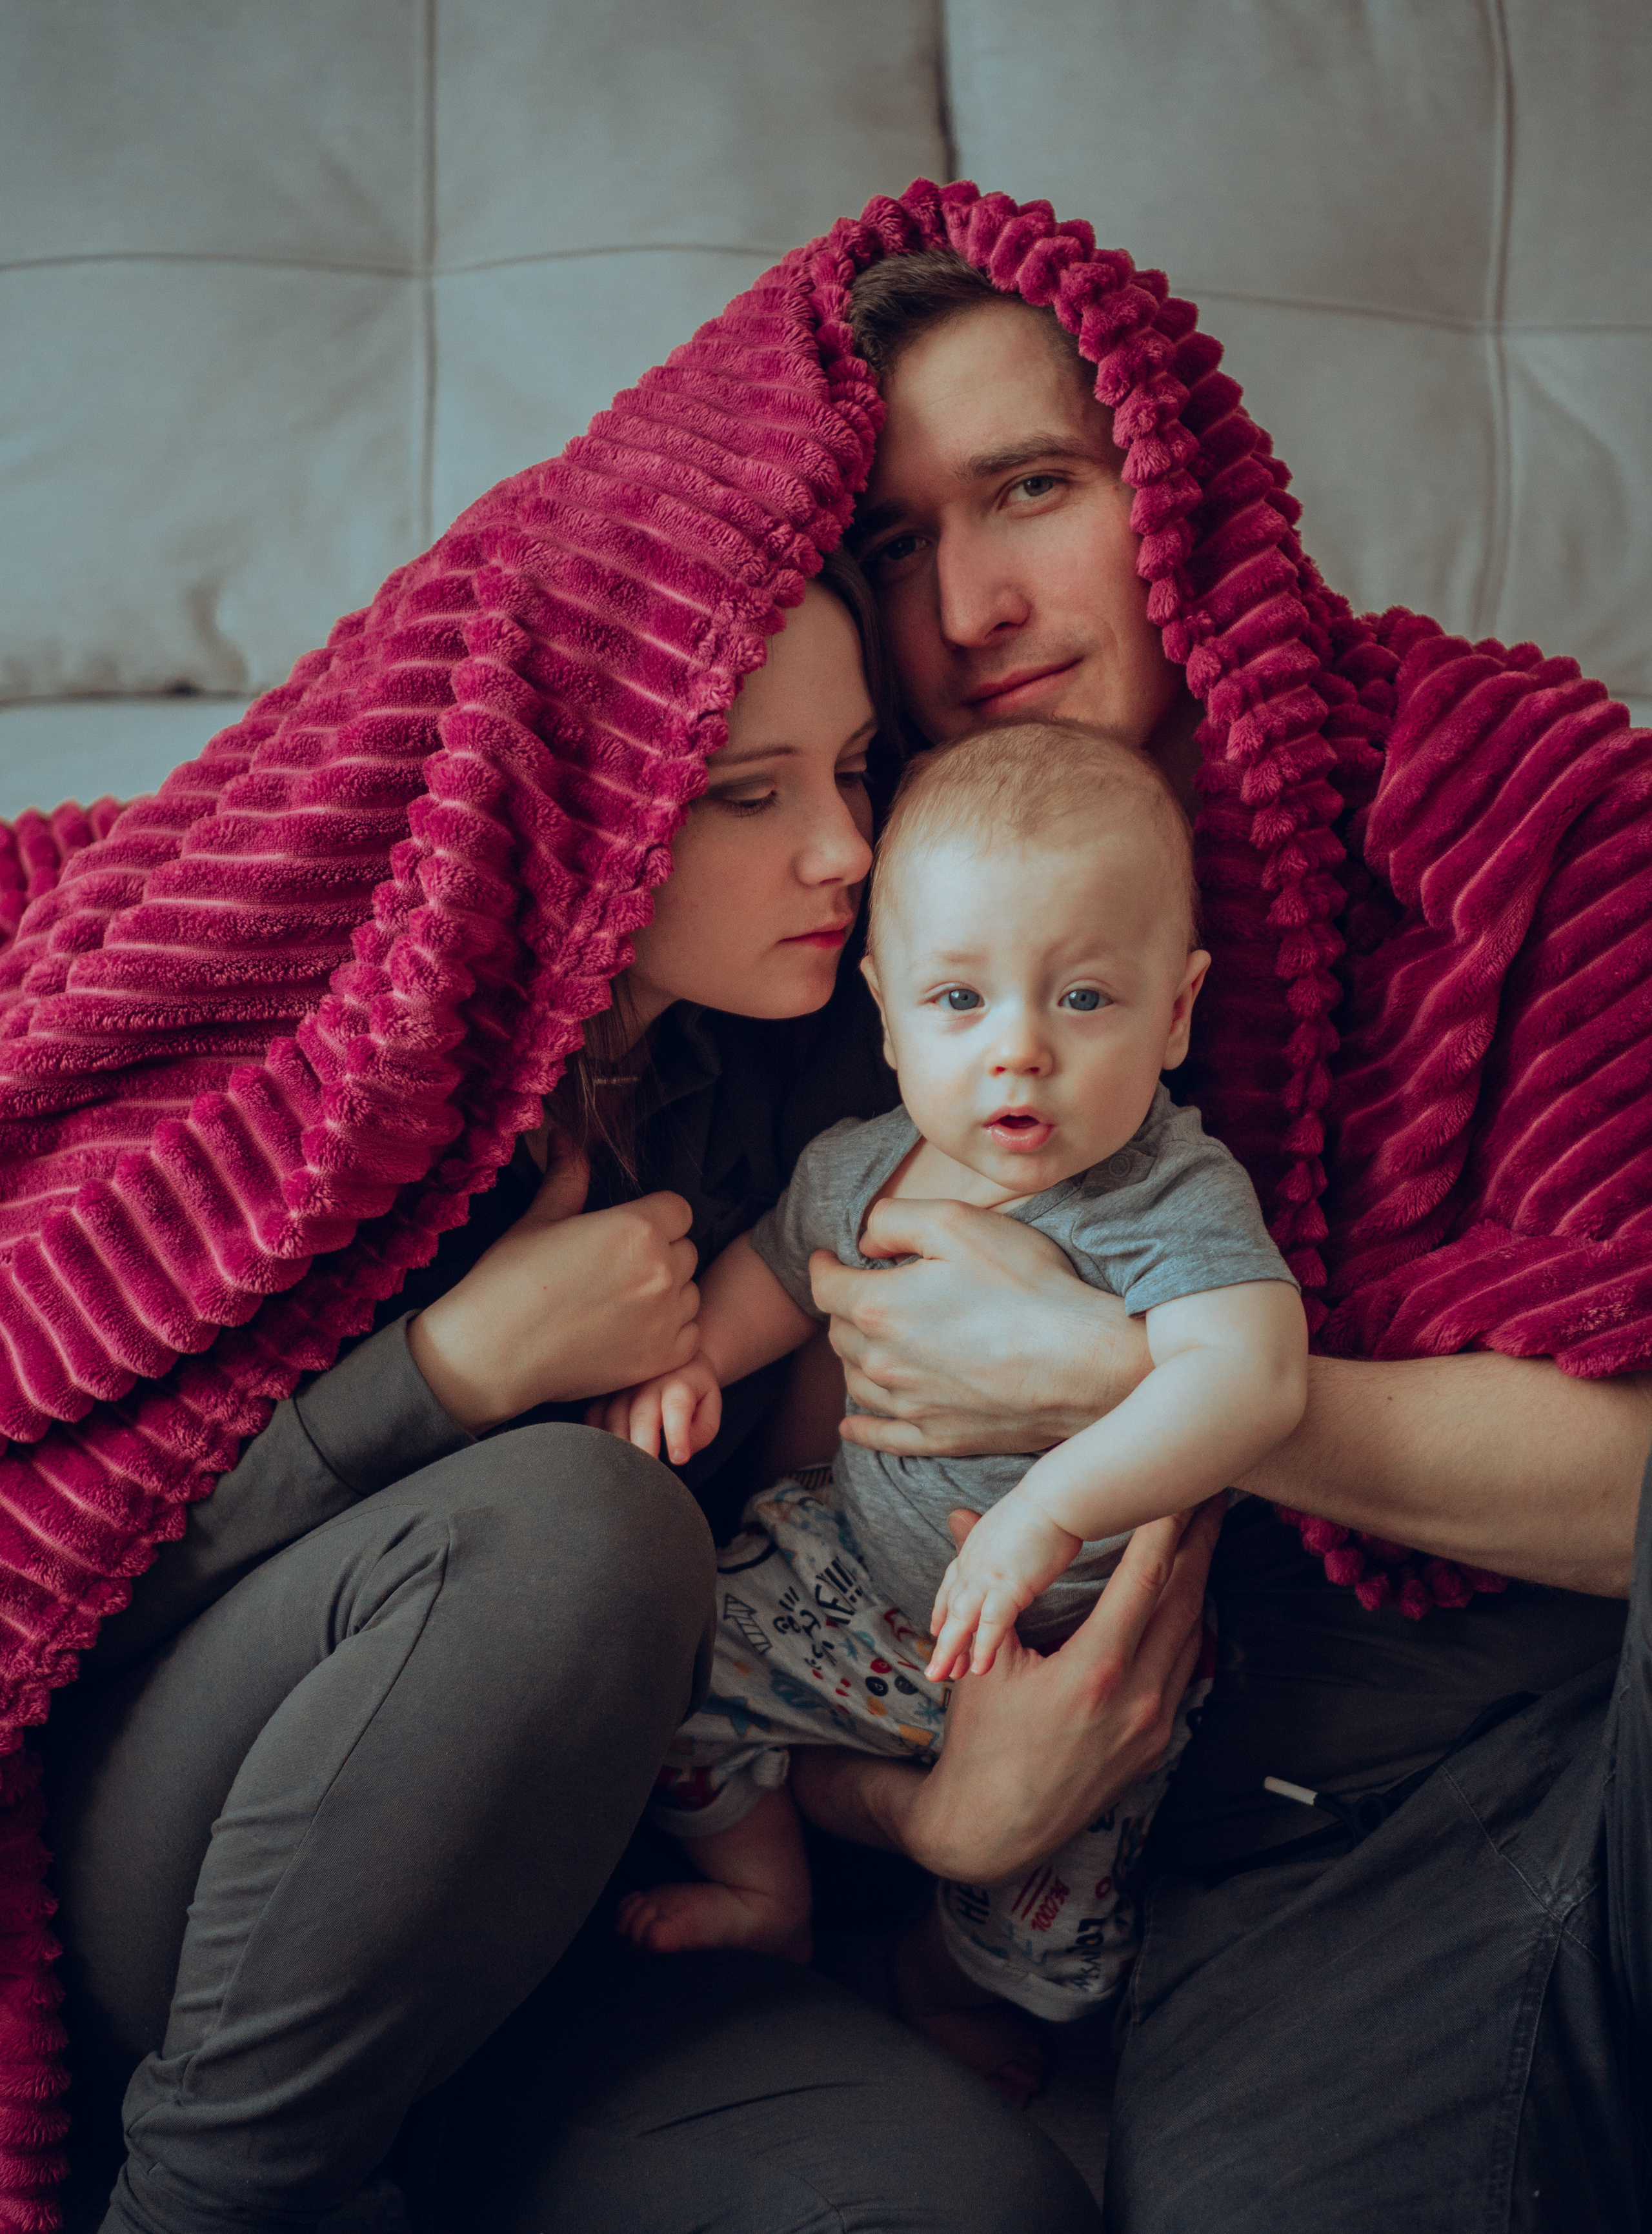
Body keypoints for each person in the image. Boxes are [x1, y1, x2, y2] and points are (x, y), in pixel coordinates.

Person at [38, 560, 1102, 2234]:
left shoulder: (840, 1071)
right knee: (575, 1523)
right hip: (181, 1886)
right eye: (754, 794)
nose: (842, 848)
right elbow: (51, 1588)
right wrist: (455, 1369)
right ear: (582, 812)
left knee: (973, 2204)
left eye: (851, 773)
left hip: (570, 1915)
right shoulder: (315, 1058)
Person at [772, 234, 1651, 2229]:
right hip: (1273, 1819)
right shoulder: (870, 920)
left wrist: (1125, 1380)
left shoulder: (1511, 789)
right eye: (900, 548)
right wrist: (928, 1816)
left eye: (1029, 488)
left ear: (1167, 478)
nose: (976, 605)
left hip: (1575, 1666)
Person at [606, 723, 1305, 2079]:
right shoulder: (860, 1166)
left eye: (1085, 1000)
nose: (1018, 1054)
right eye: (958, 1001)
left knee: (1055, 1947)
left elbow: (1254, 1374)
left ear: (1175, 1009)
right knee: (666, 1666)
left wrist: (1050, 1508)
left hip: (1065, 1649)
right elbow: (781, 1273)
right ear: (882, 1007)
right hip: (853, 1571)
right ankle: (771, 1897)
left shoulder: (1166, 1195)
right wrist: (696, 1360)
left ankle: (952, 1982)